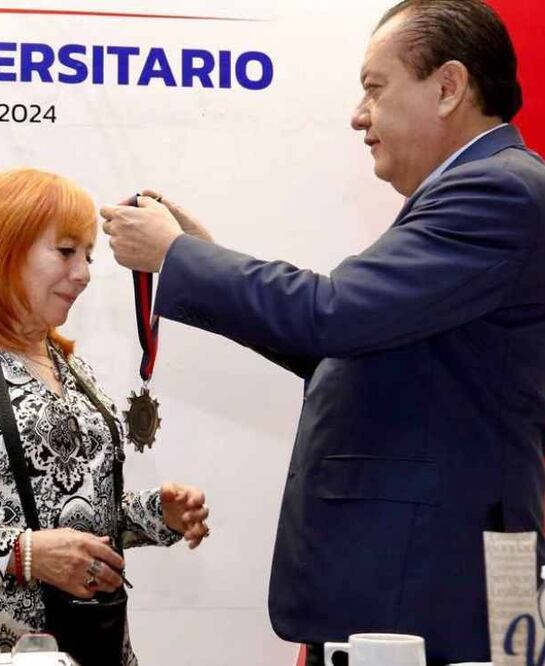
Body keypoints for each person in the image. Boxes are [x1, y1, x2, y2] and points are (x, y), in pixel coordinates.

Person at [100, 1, 545, 664]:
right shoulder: (473, 193)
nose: (356, 115)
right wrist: (199, 254)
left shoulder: (496, 193)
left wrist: (177, 257)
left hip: (432, 590)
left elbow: (331, 312)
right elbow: (344, 336)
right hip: (410, 589)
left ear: (448, 87)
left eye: (373, 88)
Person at [0, 168, 211, 665]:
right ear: (3, 248)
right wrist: (23, 554)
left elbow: (66, 511)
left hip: (86, 644)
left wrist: (156, 515)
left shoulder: (69, 366)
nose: (84, 274)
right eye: (66, 251)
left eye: (88, 256)